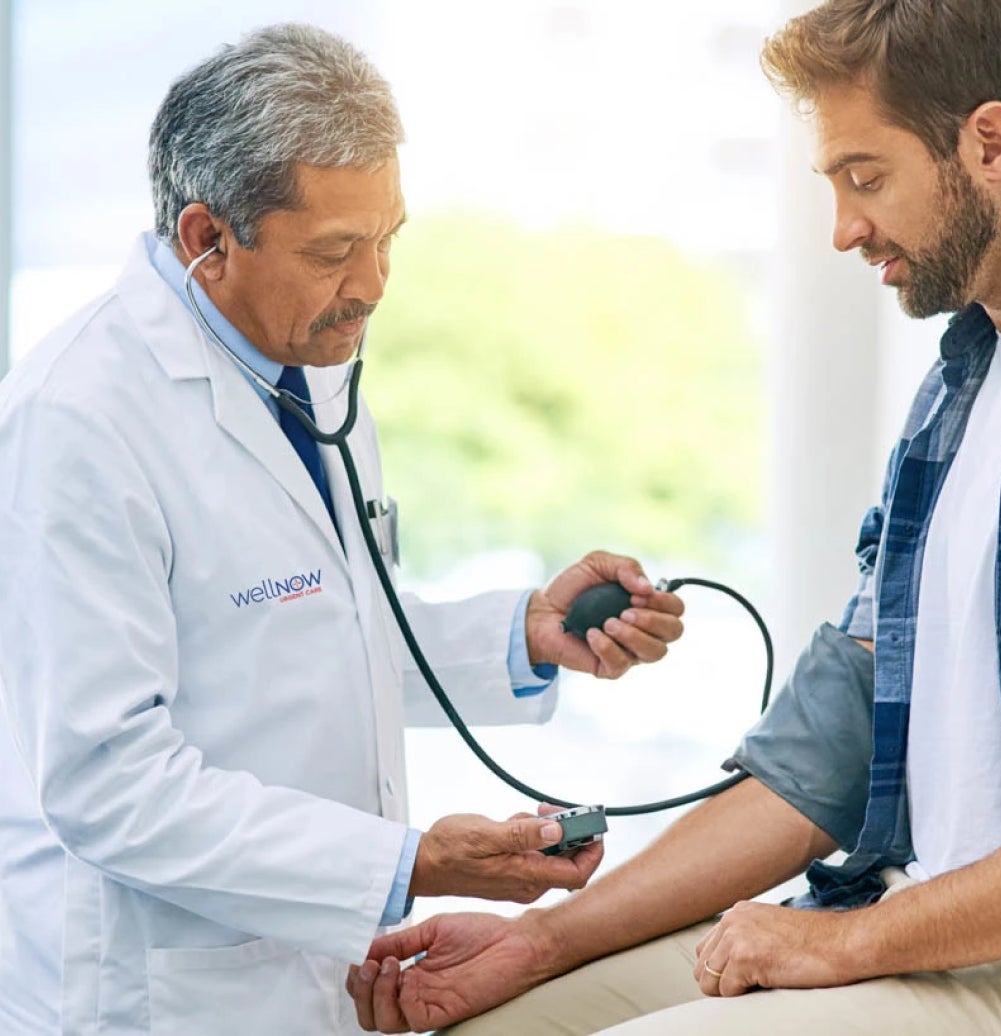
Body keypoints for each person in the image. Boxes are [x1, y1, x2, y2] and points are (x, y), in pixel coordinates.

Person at [345, 1, 1001, 1034]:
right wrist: (543, 939)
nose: (845, 226)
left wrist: (834, 944)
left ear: (991, 142)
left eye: (865, 176)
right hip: (905, 920)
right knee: (490, 1021)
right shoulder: (961, 390)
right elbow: (830, 749)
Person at [0, 24, 687, 1036]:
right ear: (207, 239)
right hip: (146, 995)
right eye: (334, 250)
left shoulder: (307, 369)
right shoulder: (81, 419)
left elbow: (315, 631)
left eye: (388, 237)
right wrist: (407, 863)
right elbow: (110, 784)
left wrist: (521, 638)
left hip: (302, 972)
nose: (374, 284)